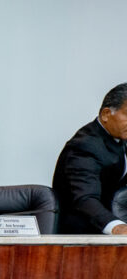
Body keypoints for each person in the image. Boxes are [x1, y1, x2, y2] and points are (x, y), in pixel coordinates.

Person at [53, 82, 127, 234]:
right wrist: (117, 227)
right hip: (84, 237)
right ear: (106, 114)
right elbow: (85, 199)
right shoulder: (84, 146)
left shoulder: (121, 137)